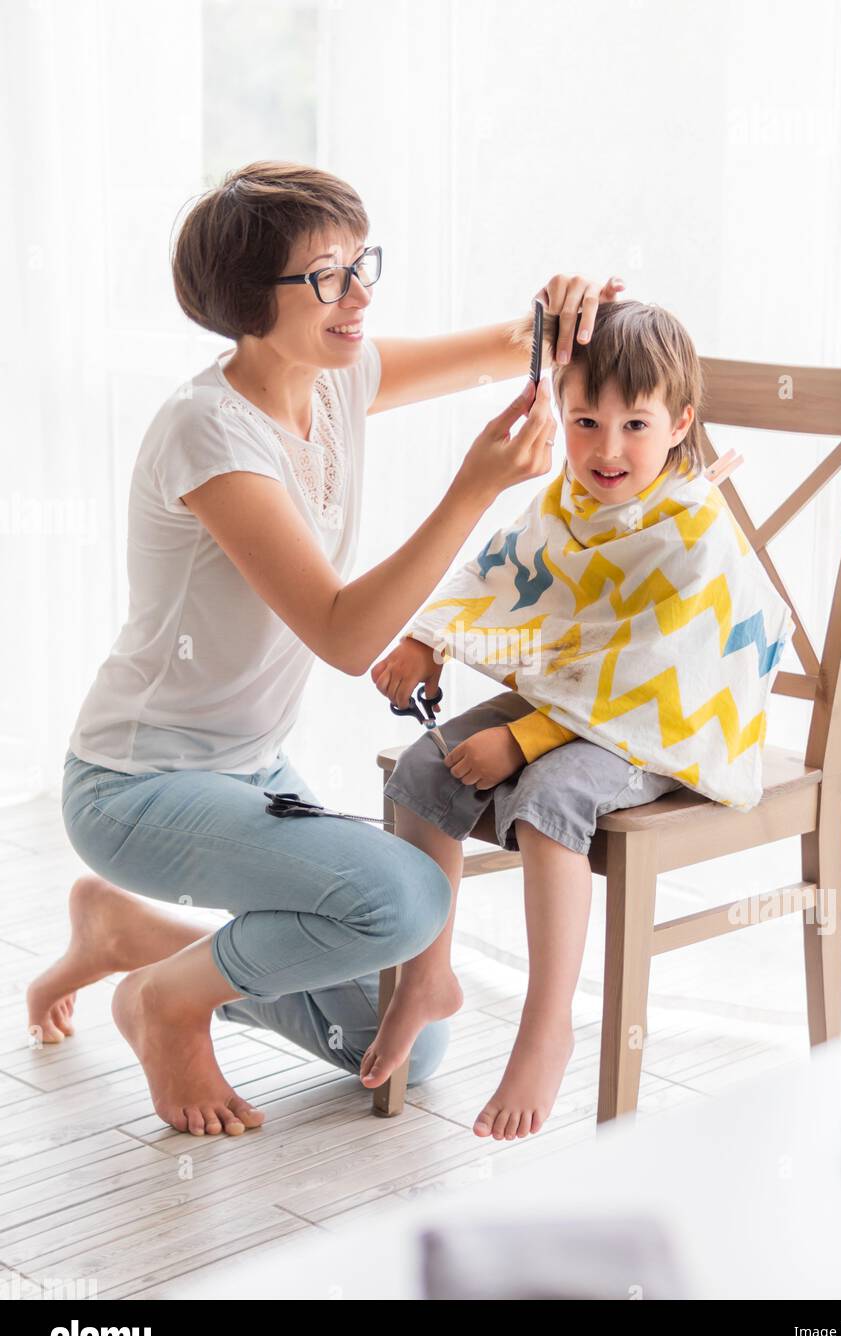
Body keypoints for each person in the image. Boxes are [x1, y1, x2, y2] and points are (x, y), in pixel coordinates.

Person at [27, 159, 626, 1139]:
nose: (360, 294)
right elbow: (347, 636)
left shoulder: (334, 377)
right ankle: (166, 1003)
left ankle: (130, 935)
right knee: (408, 898)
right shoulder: (210, 436)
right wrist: (472, 487)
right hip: (135, 783)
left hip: (246, 769)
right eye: (328, 277)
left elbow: (505, 347)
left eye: (360, 264)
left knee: (402, 1042)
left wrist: (573, 305)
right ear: (248, 304)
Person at [368, 299, 757, 1141]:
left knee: (548, 801)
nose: (606, 449)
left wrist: (523, 739)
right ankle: (425, 975)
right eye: (584, 420)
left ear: (679, 422)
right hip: (575, 695)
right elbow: (498, 573)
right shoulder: (566, 502)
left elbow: (660, 670)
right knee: (420, 772)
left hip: (667, 721)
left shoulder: (690, 526)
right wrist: (425, 640)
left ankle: (548, 1024)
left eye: (634, 424)